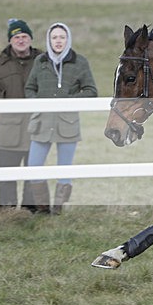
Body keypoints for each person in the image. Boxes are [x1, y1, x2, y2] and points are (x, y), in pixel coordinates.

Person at [25, 22, 97, 214]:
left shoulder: (80, 62)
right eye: (55, 37)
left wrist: (69, 101)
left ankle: (57, 209)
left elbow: (91, 91)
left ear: (68, 39)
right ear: (49, 39)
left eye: (62, 37)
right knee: (33, 166)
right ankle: (42, 209)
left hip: (68, 123)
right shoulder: (40, 61)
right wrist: (37, 102)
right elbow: (29, 88)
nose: (58, 41)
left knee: (64, 169)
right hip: (42, 122)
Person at [0, 19, 43, 212]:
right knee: (7, 175)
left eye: (24, 36)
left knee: (35, 174)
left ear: (30, 39)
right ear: (10, 40)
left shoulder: (43, 61)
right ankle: (6, 212)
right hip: (9, 131)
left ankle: (31, 212)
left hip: (36, 128)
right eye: (16, 37)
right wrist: (6, 99)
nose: (21, 40)